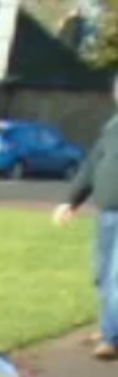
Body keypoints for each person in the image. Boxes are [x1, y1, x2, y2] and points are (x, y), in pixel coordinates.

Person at [53, 77, 118, 361]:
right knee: (102, 273)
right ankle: (108, 326)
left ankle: (111, 338)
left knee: (117, 276)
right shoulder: (112, 126)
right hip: (106, 213)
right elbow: (92, 165)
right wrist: (71, 201)